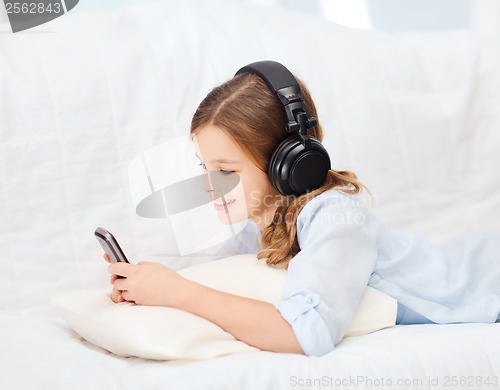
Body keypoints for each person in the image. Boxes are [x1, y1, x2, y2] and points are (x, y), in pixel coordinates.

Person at [104, 61, 500, 357]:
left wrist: (178, 292)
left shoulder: (335, 218)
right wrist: (148, 286)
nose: (209, 186)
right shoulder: (255, 228)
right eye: (204, 168)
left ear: (288, 162)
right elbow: (218, 285)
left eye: (225, 170)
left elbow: (306, 333)